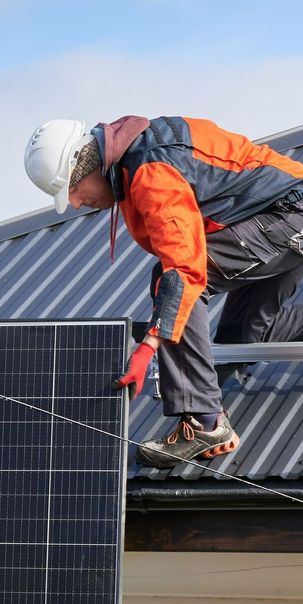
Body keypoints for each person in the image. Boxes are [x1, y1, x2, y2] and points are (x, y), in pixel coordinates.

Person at [24, 115, 303, 467]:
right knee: (243, 340)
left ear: (87, 168)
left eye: (72, 192)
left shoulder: (151, 170)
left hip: (289, 214)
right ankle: (205, 401)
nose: (76, 204)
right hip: (280, 216)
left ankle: (205, 423)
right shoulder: (133, 157)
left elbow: (184, 267)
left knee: (170, 281)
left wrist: (150, 344)